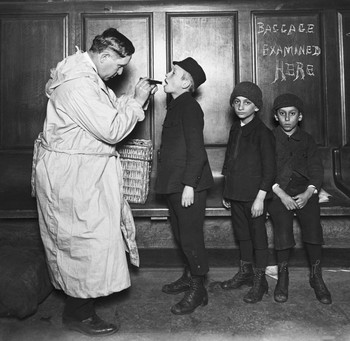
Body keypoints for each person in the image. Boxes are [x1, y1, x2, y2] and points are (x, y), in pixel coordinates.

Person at [33, 28, 157, 336]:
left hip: (82, 171)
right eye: (117, 65)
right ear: (103, 56)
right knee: (81, 242)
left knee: (89, 241)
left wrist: (129, 100)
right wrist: (137, 101)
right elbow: (112, 130)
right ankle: (78, 315)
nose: (118, 72)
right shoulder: (78, 85)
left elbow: (103, 115)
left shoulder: (88, 78)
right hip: (72, 175)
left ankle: (80, 308)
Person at [155, 57, 214, 315]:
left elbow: (197, 151)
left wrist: (190, 184)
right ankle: (190, 276)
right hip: (175, 183)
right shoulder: (177, 104)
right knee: (181, 234)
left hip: (187, 186)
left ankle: (198, 288)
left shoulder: (189, 107)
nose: (167, 75)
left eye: (174, 72)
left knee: (190, 237)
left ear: (186, 82)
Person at [268, 93, 332, 304]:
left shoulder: (307, 139)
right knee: (282, 227)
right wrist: (281, 194)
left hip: (304, 190)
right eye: (282, 114)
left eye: (292, 114)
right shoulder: (269, 138)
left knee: (313, 226)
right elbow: (265, 171)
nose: (287, 118)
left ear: (300, 116)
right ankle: (283, 276)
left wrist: (309, 192)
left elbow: (315, 168)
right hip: (279, 191)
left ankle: (316, 276)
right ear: (276, 116)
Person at [219, 81, 276, 303]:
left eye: (247, 103)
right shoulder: (235, 128)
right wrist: (227, 191)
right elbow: (230, 161)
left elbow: (270, 169)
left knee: (258, 237)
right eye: (237, 102)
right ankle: (245, 273)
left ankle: (260, 281)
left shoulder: (263, 133)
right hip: (235, 193)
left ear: (257, 107)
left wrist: (260, 197)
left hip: (255, 198)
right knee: (242, 236)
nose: (241, 106)